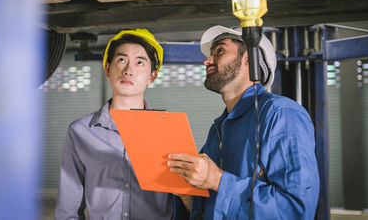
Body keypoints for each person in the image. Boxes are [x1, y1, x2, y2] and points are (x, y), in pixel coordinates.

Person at [168, 25, 320, 219]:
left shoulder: (281, 114)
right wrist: (187, 196)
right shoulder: (218, 129)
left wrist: (217, 180)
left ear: (249, 58)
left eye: (220, 51)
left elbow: (296, 210)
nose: (207, 61)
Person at [55, 29, 188, 219]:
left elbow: (185, 203)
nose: (128, 70)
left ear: (152, 76)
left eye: (140, 62)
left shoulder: (170, 131)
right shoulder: (80, 132)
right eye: (121, 60)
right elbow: (68, 210)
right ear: (108, 69)